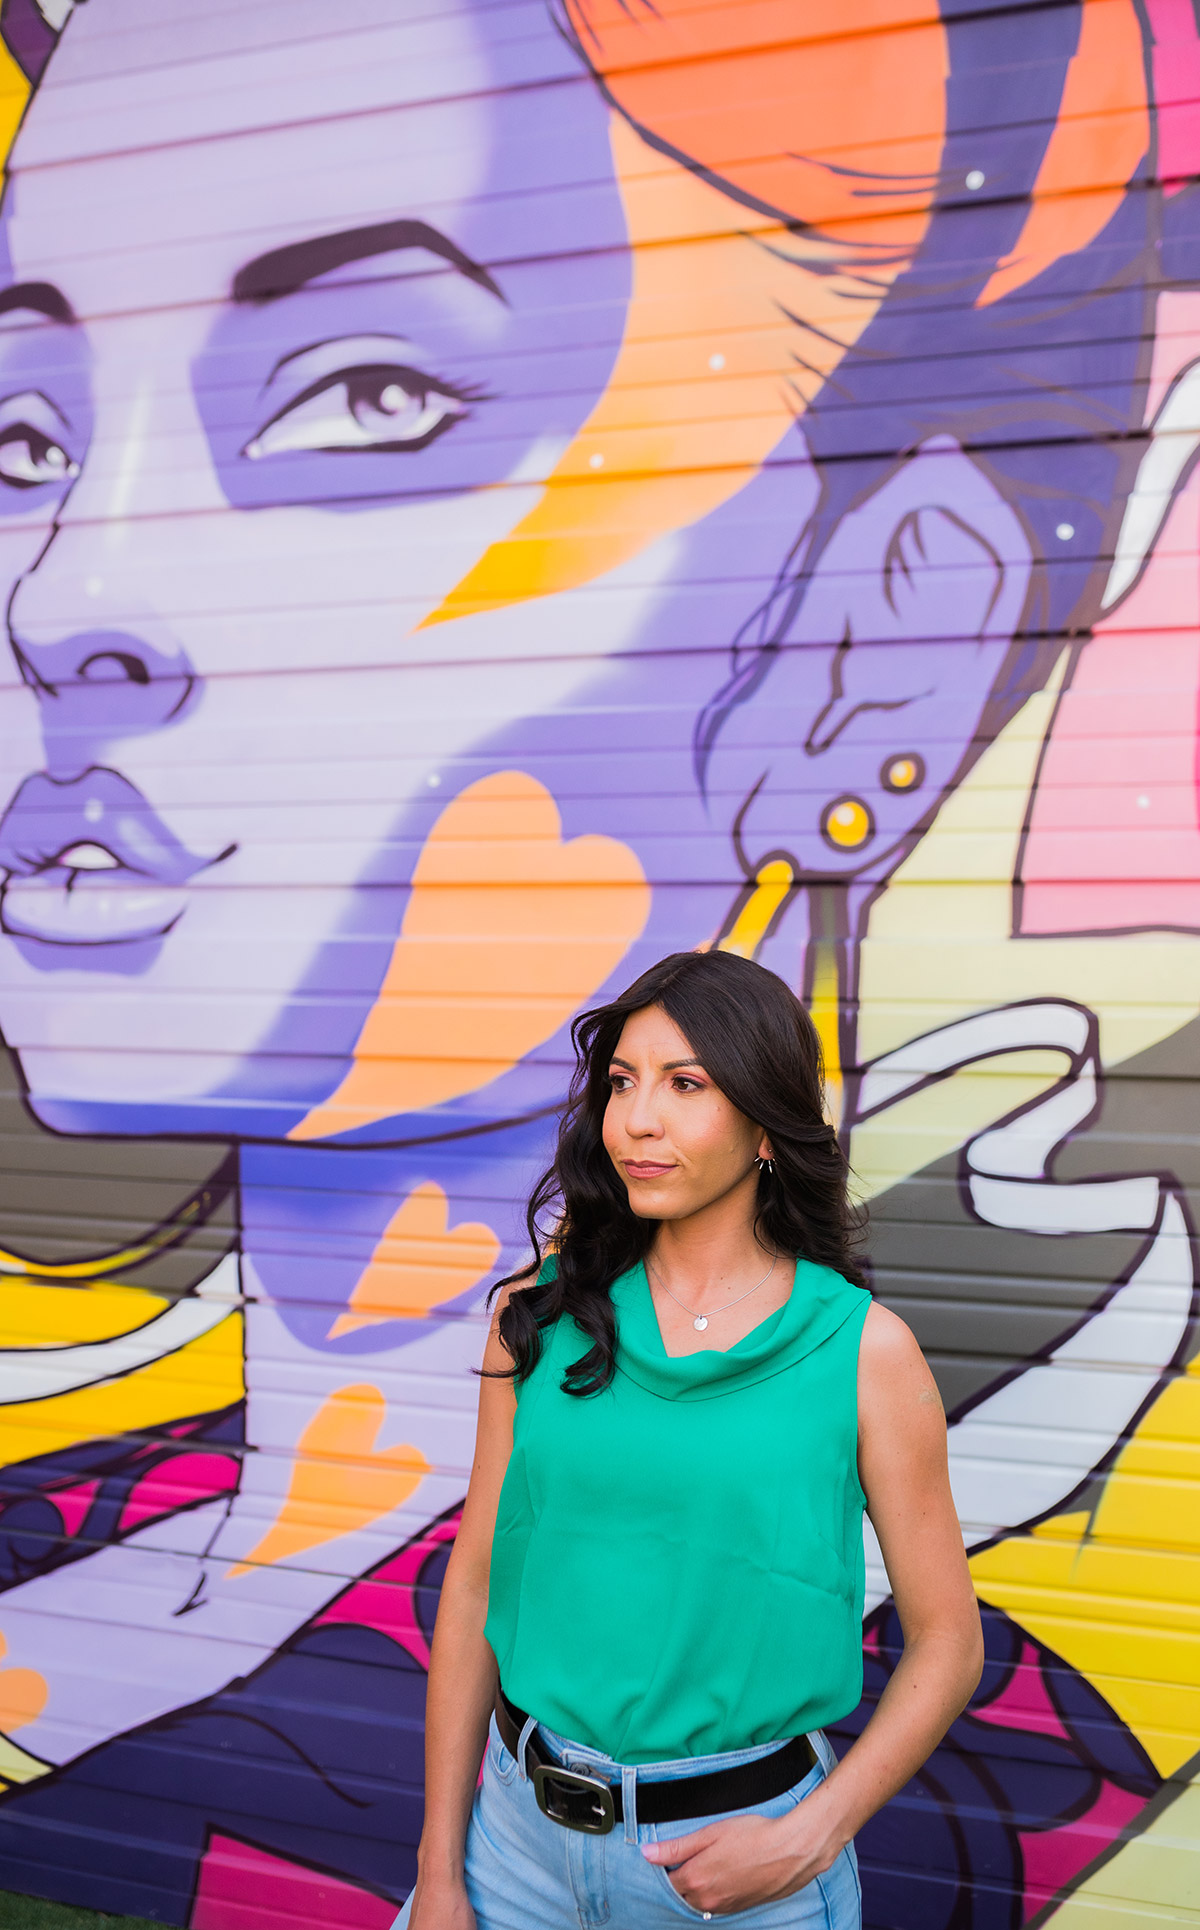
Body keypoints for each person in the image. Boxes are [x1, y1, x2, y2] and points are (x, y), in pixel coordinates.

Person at [398, 949, 984, 1930]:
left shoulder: (862, 1352)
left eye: (686, 1084)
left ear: (766, 1127)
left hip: (743, 1873)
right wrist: (442, 1869)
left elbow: (949, 1641)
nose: (637, 1119)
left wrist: (815, 1832)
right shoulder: (538, 1316)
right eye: (623, 1081)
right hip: (513, 1848)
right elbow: (475, 1587)